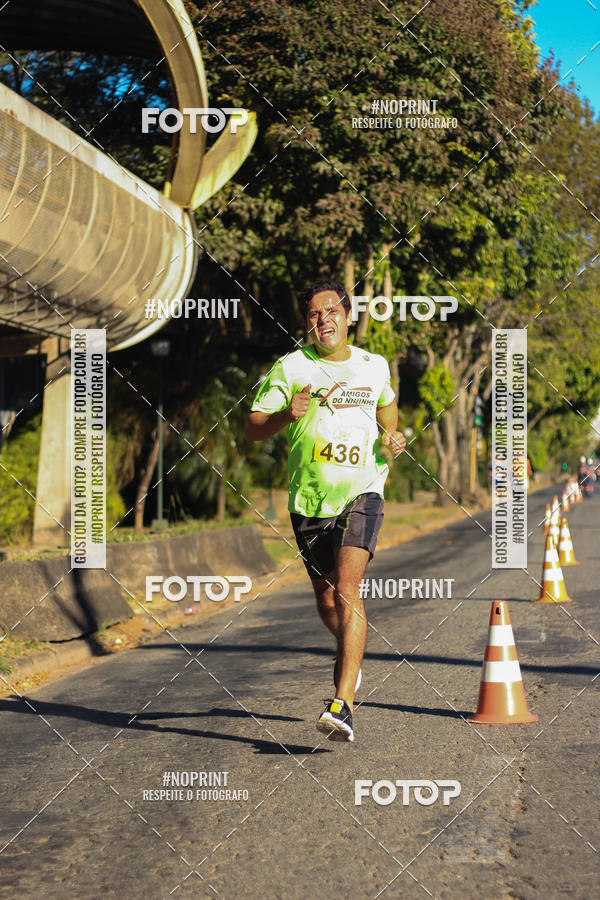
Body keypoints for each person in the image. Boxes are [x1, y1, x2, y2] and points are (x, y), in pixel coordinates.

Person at [244, 280, 406, 742]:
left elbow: (387, 406)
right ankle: (351, 654)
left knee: (348, 590)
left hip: (363, 489)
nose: (323, 320)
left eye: (331, 310)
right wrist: (285, 416)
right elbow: (253, 427)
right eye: (314, 315)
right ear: (307, 324)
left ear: (349, 316)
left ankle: (343, 704)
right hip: (309, 499)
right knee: (326, 598)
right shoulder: (291, 367)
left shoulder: (374, 365)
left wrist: (392, 436)